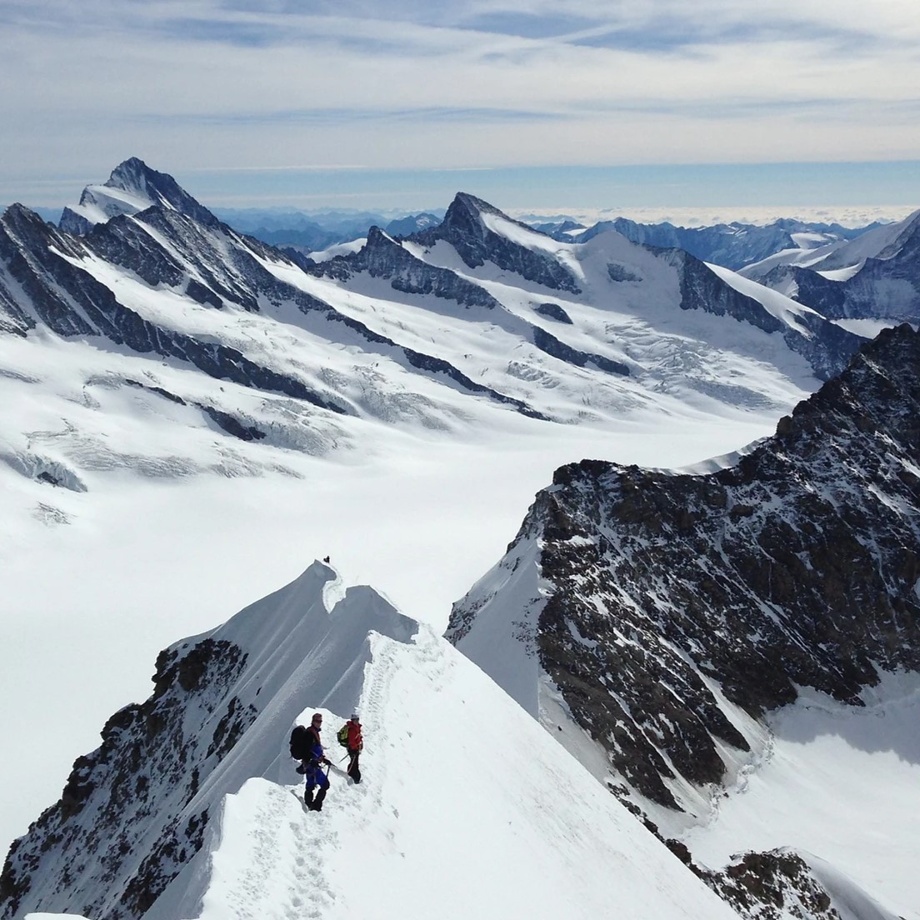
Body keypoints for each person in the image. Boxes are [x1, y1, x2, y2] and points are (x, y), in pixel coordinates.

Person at [302, 712, 331, 811]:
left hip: (310, 764)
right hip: (312, 765)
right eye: (317, 721)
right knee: (325, 784)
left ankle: (309, 805)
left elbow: (314, 749)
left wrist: (323, 759)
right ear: (313, 721)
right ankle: (315, 806)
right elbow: (306, 750)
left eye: (320, 721)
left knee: (310, 785)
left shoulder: (313, 732)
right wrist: (311, 760)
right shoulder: (310, 734)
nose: (319, 723)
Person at [343, 713, 363, 784]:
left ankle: (354, 777)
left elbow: (357, 737)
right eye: (356, 720)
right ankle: (355, 779)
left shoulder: (356, 727)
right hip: (353, 749)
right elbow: (351, 741)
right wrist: (356, 748)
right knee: (354, 764)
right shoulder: (352, 729)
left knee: (354, 763)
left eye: (358, 719)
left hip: (355, 748)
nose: (357, 721)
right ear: (352, 720)